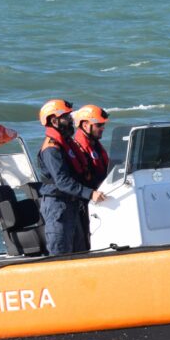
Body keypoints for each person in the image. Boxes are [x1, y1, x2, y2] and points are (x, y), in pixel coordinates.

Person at [37, 99, 106, 255]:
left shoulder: (65, 144)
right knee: (61, 253)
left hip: (71, 204)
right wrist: (90, 193)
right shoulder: (51, 149)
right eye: (66, 118)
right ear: (54, 121)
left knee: (80, 251)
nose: (71, 121)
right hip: (58, 205)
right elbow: (62, 181)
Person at [72, 104, 111, 250]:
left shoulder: (95, 145)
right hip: (86, 203)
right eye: (99, 124)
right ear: (85, 124)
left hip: (100, 198)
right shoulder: (77, 148)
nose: (102, 128)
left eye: (103, 125)